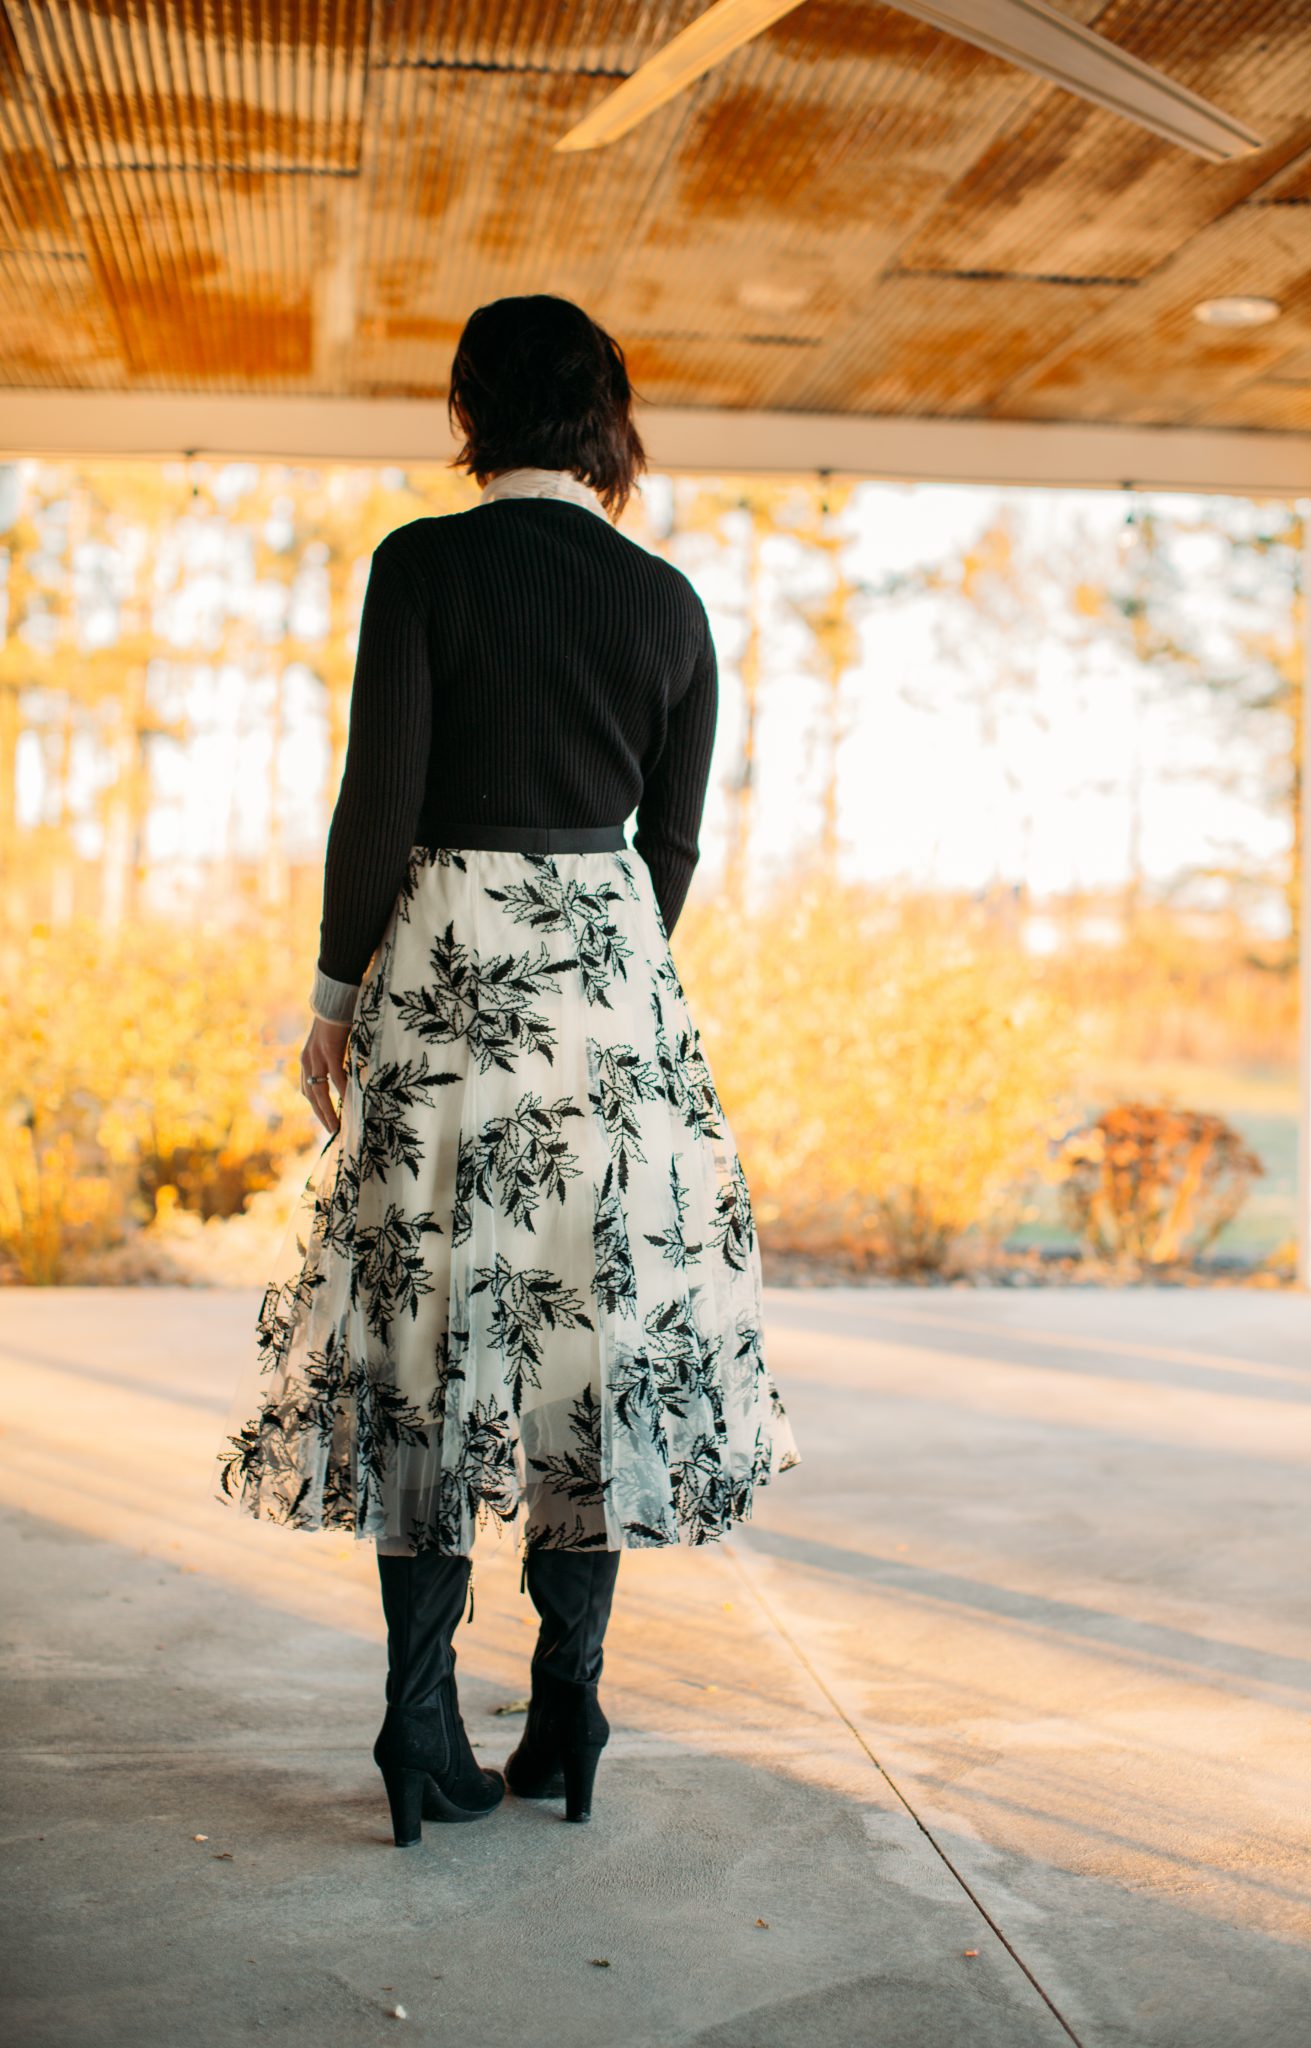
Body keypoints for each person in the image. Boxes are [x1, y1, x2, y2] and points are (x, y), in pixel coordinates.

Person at [215, 292, 800, 1847]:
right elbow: (669, 842)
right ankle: (569, 1709)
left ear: (469, 409)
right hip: (607, 984)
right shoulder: (668, 601)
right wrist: (596, 965)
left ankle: (417, 1728)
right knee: (588, 1336)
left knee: (427, 1333)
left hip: (446, 974)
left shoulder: (423, 565)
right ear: (609, 416)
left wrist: (338, 993)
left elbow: (377, 797)